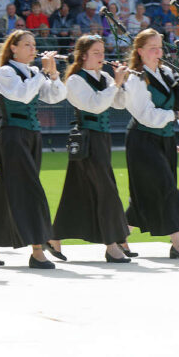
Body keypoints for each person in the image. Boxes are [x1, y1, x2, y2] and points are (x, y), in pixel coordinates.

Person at [0, 30, 67, 269]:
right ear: (13, 48)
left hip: (32, 135)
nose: (33, 49)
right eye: (27, 45)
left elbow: (55, 97)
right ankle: (38, 248)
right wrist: (43, 73)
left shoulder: (34, 72)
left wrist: (53, 73)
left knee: (5, 189)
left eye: (34, 45)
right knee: (31, 190)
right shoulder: (6, 72)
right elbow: (22, 95)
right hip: (13, 135)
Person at [121, 28, 179, 259]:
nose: (158, 52)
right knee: (167, 188)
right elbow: (145, 115)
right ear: (139, 51)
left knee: (146, 196)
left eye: (160, 47)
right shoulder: (135, 79)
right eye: (152, 48)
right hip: (142, 140)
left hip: (164, 139)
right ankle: (178, 243)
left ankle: (119, 239)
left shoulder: (166, 72)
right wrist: (177, 115)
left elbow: (175, 103)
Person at [52, 34, 133, 263]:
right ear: (83, 55)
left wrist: (123, 83)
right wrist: (115, 84)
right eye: (96, 52)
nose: (101, 56)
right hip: (86, 139)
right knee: (106, 190)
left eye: (102, 52)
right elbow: (95, 106)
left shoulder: (105, 76)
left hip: (102, 139)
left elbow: (119, 104)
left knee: (76, 191)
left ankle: (53, 236)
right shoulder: (75, 80)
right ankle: (112, 243)